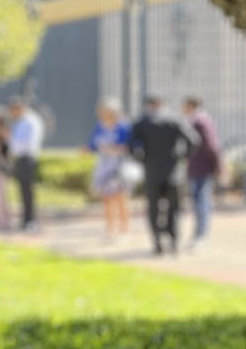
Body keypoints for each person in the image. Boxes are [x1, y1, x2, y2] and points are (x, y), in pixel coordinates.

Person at [130, 96, 198, 256]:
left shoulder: (142, 122)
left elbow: (131, 145)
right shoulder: (175, 120)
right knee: (174, 209)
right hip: (173, 172)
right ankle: (173, 242)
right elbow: (194, 140)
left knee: (154, 209)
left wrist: (142, 159)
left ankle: (157, 242)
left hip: (152, 172)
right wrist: (182, 156)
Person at [87, 100, 133, 241]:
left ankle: (124, 228)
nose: (102, 115)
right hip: (104, 165)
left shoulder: (123, 126)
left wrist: (112, 148)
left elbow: (128, 146)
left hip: (119, 164)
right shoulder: (100, 127)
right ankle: (110, 228)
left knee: (120, 197)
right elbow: (93, 144)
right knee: (107, 197)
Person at [182, 97, 221, 248]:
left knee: (201, 200)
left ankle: (201, 234)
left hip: (202, 167)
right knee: (198, 199)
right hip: (197, 166)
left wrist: (218, 166)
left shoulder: (200, 121)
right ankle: (199, 233)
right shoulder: (196, 121)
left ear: (191, 105)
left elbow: (211, 145)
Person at [7, 96, 44, 232]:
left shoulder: (31, 121)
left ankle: (32, 220)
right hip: (20, 158)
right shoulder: (19, 122)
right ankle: (25, 219)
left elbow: (28, 143)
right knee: (22, 191)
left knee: (28, 191)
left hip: (27, 158)